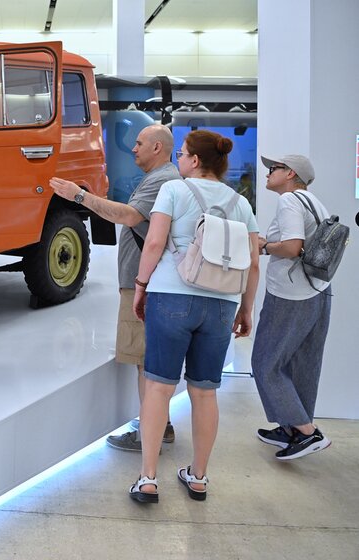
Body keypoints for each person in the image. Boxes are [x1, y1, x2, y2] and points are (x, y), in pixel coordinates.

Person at [129, 130, 259, 503]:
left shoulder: (174, 189)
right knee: (204, 392)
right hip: (221, 303)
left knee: (158, 388)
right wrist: (246, 309)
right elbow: (252, 264)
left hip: (170, 294)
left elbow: (154, 243)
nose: (180, 160)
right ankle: (199, 476)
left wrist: (141, 285)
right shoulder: (241, 203)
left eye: (183, 154)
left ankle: (148, 479)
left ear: (195, 160)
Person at [50, 124, 181, 452]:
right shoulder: (160, 179)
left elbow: (128, 216)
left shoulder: (163, 180)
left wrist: (79, 196)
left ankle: (149, 433)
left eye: (139, 143)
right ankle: (159, 426)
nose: (133, 149)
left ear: (157, 148)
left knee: (144, 359)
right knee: (146, 358)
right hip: (144, 283)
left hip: (144, 285)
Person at [251, 154, 332, 460]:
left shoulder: (289, 202)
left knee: (265, 363)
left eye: (276, 168)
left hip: (291, 293)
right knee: (302, 364)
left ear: (291, 174)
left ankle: (308, 432)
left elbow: (293, 247)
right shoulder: (314, 201)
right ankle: (292, 429)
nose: (269, 172)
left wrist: (263, 245)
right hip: (318, 290)